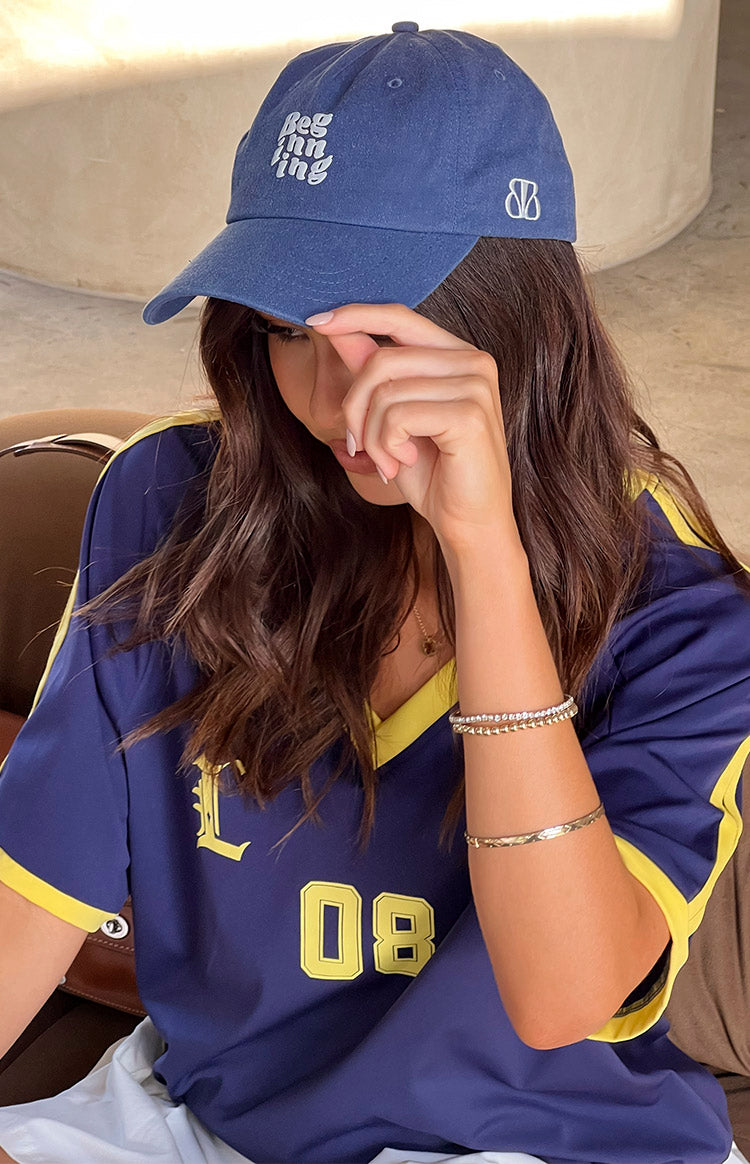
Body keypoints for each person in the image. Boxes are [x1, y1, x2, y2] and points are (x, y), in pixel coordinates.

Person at [0, 19, 749, 1164]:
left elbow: (562, 997)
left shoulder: (680, 604)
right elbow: (34, 901)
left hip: (542, 1147)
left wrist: (484, 550)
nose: (334, 397)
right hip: (205, 1128)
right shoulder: (167, 502)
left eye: (384, 330)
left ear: (512, 308)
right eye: (288, 327)